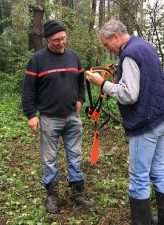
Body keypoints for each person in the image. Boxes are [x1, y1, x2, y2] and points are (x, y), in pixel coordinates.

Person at [86, 19, 164, 225]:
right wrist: (120, 72)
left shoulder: (129, 55)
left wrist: (103, 83)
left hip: (146, 122)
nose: (109, 50)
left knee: (139, 177)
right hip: (162, 116)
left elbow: (129, 95)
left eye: (108, 45)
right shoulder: (144, 46)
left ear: (115, 37)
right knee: (158, 169)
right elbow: (144, 78)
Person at [21, 20, 94, 214]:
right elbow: (28, 91)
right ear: (47, 40)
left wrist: (80, 100)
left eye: (63, 39)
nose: (61, 43)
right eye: (56, 40)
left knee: (75, 155)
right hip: (49, 118)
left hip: (72, 116)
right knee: (49, 158)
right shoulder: (37, 59)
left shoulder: (74, 56)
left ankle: (77, 192)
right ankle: (52, 196)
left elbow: (80, 81)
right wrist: (31, 115)